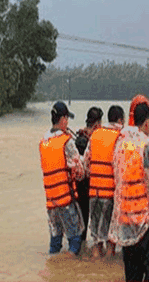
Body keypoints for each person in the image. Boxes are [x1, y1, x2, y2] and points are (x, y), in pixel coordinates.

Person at [108, 103, 149, 282]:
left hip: (124, 218)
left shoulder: (120, 142)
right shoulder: (146, 144)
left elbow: (117, 175)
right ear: (148, 121)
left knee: (132, 273)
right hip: (143, 218)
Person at [39, 101, 86, 257]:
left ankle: (53, 267)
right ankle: (68, 269)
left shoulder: (43, 142)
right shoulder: (67, 141)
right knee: (75, 240)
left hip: (50, 201)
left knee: (55, 241)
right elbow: (79, 171)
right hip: (66, 200)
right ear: (63, 119)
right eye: (67, 119)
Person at [83, 105, 124, 258]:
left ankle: (95, 272)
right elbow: (122, 167)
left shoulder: (95, 135)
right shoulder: (120, 136)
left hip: (93, 193)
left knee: (96, 240)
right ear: (120, 120)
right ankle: (108, 273)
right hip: (110, 195)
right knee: (111, 242)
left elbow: (85, 164)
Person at [74, 106, 104, 245]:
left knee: (82, 228)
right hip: (92, 190)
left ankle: (80, 252)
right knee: (98, 230)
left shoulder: (78, 138)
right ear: (97, 124)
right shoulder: (94, 141)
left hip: (79, 191)